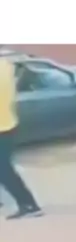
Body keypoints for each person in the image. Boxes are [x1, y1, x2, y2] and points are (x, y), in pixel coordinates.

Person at [0, 52, 42, 219]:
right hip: (8, 123)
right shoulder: (6, 65)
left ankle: (29, 204)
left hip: (3, 126)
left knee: (4, 170)